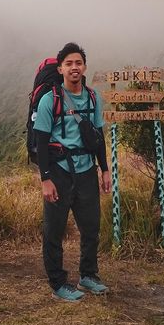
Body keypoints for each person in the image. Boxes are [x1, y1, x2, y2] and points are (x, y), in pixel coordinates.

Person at [33, 42, 112, 302]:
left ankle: (88, 275)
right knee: (54, 230)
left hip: (87, 170)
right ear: (60, 69)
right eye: (69, 63)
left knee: (91, 227)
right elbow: (41, 142)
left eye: (78, 62)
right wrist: (46, 179)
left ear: (85, 67)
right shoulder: (49, 100)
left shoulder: (92, 97)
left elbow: (98, 135)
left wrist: (105, 170)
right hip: (59, 172)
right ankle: (58, 283)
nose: (74, 67)